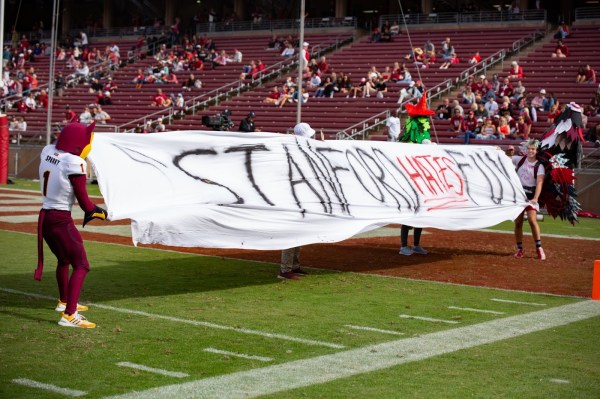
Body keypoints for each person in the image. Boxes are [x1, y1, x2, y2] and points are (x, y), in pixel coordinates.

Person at [35, 121, 108, 328]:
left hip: (46, 216)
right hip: (60, 219)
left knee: (63, 260)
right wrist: (103, 213)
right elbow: (85, 204)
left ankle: (64, 301)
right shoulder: (74, 163)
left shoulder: (48, 150)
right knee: (82, 265)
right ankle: (69, 315)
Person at [279, 122, 316, 280]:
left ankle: (294, 265)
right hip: (291, 198)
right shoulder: (291, 151)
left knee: (298, 233)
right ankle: (285, 269)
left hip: (300, 197)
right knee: (290, 234)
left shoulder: (299, 150)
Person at [512, 139, 546, 260]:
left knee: (532, 220)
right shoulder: (519, 160)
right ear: (526, 149)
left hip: (531, 195)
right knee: (518, 222)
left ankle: (539, 248)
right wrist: (503, 151)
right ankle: (520, 249)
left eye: (533, 149)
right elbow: (506, 158)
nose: (530, 151)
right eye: (529, 148)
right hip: (519, 194)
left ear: (536, 151)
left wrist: (536, 198)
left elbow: (539, 183)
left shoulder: (539, 166)